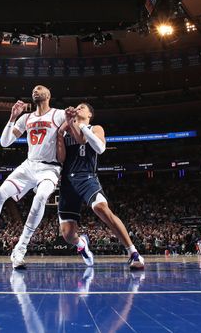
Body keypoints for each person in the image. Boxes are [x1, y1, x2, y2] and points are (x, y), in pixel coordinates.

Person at [0, 85, 66, 269]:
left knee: (41, 197)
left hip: (49, 168)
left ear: (49, 94)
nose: (35, 90)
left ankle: (20, 248)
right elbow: (5, 142)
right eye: (34, 89)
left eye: (40, 88)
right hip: (29, 165)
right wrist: (12, 117)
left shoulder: (58, 114)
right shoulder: (26, 117)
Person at [56, 103, 144, 270]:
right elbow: (61, 158)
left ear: (90, 114)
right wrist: (60, 134)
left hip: (87, 176)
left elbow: (100, 148)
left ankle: (133, 252)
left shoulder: (95, 128)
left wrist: (80, 126)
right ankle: (81, 243)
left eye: (82, 107)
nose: (78, 108)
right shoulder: (66, 128)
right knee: (67, 235)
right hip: (68, 181)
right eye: (77, 106)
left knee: (101, 208)